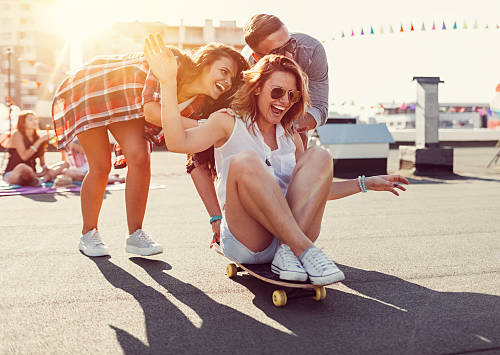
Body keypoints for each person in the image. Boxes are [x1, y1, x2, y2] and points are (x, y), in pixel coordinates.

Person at [145, 33, 408, 285]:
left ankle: (290, 251)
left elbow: (311, 192)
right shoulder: (228, 121)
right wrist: (168, 82)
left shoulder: (290, 136)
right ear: (258, 89)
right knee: (245, 160)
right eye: (277, 92)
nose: (284, 101)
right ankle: (305, 250)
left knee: (320, 156)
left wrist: (365, 183)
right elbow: (178, 143)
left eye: (292, 96)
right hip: (249, 240)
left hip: (284, 245)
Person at [52, 44, 247, 257]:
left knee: (139, 156)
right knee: (101, 165)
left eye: (231, 79)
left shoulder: (200, 106)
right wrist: (211, 127)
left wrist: (216, 218)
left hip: (126, 104)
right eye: (223, 71)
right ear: (206, 63)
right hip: (91, 87)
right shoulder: (173, 62)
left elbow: (195, 158)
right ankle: (89, 233)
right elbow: (153, 112)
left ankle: (135, 235)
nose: (227, 82)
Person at [190, 14, 330, 244]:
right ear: (257, 57)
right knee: (221, 149)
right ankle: (227, 222)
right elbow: (197, 152)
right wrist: (216, 216)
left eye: (290, 43)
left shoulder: (311, 50)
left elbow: (321, 109)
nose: (289, 54)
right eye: (279, 51)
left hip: (293, 120)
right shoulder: (246, 70)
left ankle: (292, 234)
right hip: (248, 121)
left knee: (298, 154)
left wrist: (288, 123)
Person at [2, 110, 65, 186]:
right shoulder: (17, 134)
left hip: (32, 174)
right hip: (14, 173)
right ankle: (41, 180)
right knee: (22, 167)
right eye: (30, 120)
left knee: (64, 164)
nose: (35, 122)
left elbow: (42, 163)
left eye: (35, 119)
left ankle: (40, 179)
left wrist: (45, 168)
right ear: (23, 123)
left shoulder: (38, 137)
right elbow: (24, 157)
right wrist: (39, 141)